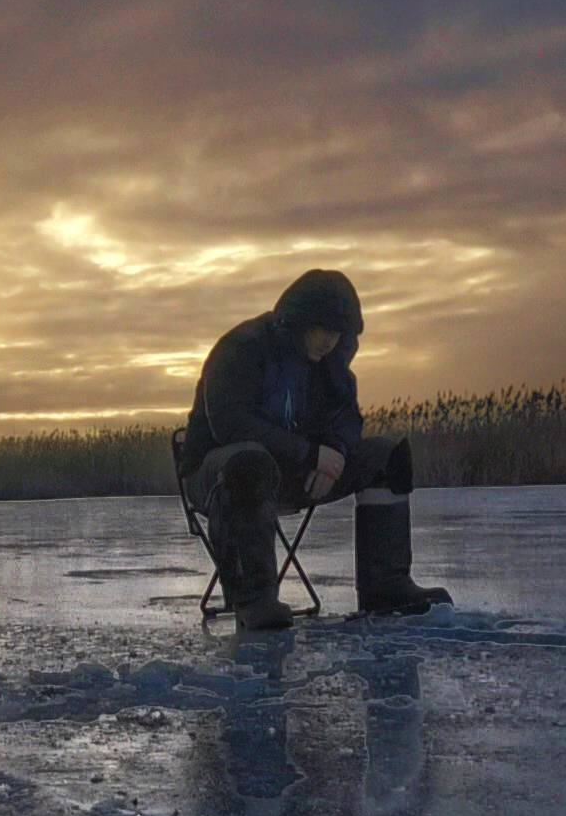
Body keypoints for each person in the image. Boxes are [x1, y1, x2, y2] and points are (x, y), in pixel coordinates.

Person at [179, 268, 451, 630]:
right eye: (323, 330)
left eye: (338, 333)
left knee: (387, 455)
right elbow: (230, 424)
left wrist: (332, 456)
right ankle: (254, 597)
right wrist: (309, 454)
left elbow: (346, 420)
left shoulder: (330, 365)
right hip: (220, 477)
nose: (330, 341)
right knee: (248, 460)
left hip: (296, 474)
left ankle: (386, 586)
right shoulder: (242, 348)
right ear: (298, 322)